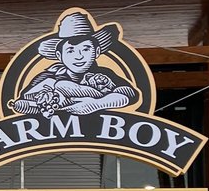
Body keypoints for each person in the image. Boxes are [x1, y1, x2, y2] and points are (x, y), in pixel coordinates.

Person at [9, 10, 138, 118]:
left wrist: (97, 103)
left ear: (97, 51)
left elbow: (130, 94)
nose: (79, 56)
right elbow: (24, 100)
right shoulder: (48, 77)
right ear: (59, 56)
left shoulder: (104, 75)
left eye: (86, 49)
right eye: (70, 50)